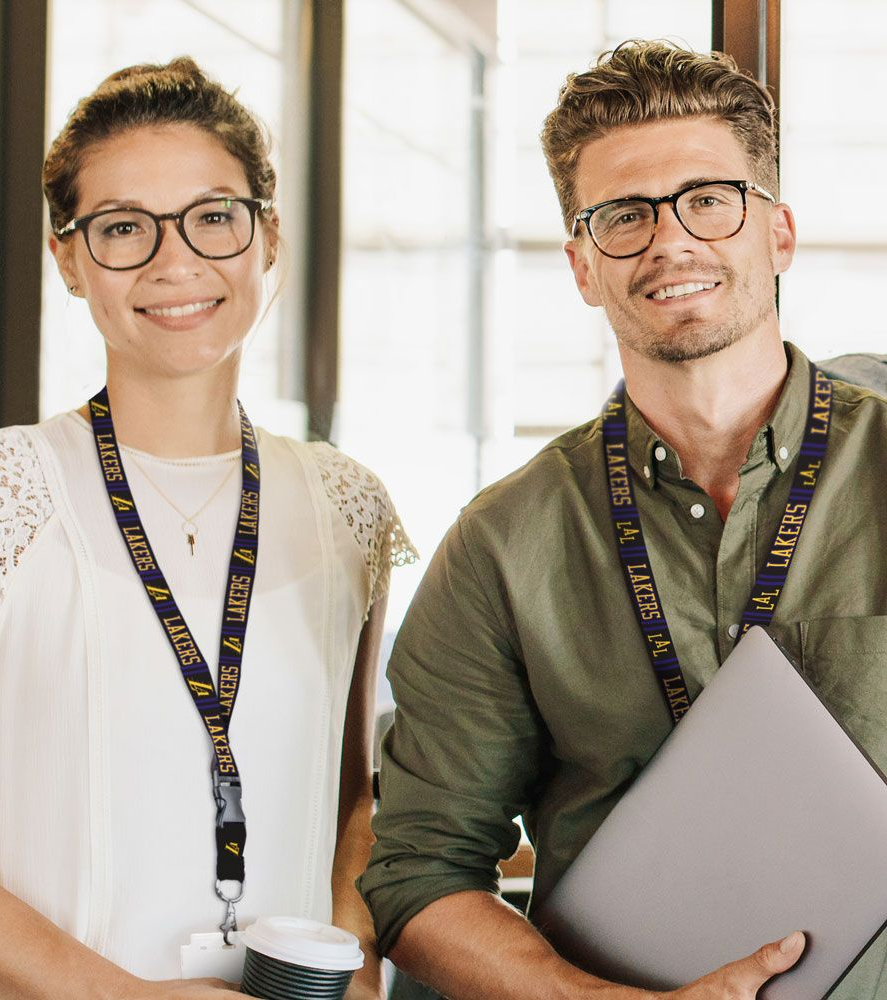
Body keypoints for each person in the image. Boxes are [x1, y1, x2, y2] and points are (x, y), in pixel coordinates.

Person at [359, 39, 887, 1000]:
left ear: (779, 233)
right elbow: (419, 874)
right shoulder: (500, 546)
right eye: (624, 216)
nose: (670, 241)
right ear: (580, 264)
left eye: (709, 199)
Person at [0, 57, 414, 999]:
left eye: (213, 218)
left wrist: (352, 958)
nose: (176, 262)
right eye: (124, 228)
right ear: (69, 258)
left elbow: (349, 800)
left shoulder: (347, 503)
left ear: (266, 239)